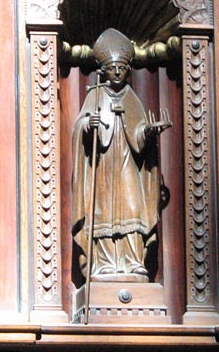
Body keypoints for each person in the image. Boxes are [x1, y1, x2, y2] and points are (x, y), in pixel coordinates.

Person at [71, 28, 171, 280]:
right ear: (103, 70)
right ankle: (103, 264)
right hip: (103, 166)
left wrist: (147, 132)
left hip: (127, 164)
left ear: (128, 70)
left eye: (122, 68)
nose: (117, 72)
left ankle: (133, 261)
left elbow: (138, 133)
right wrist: (88, 125)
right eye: (112, 68)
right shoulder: (94, 95)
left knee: (130, 207)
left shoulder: (132, 98)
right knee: (103, 211)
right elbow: (79, 129)